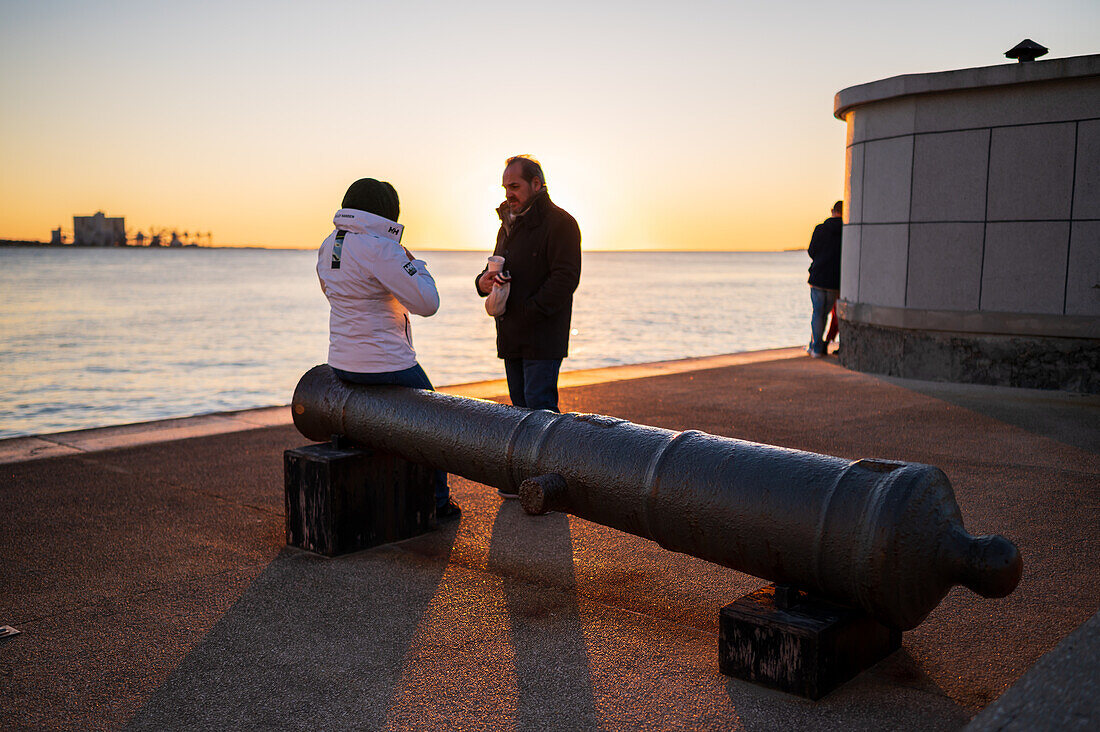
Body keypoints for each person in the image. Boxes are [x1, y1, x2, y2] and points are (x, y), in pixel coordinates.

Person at [316, 177, 460, 523]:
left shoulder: (330, 244)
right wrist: (413, 262)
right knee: (435, 420)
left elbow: (331, 292)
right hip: (384, 363)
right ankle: (438, 501)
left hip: (342, 362)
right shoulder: (381, 248)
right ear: (386, 212)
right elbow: (428, 303)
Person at [475, 155, 582, 414]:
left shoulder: (561, 223)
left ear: (536, 184)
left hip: (542, 338)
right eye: (505, 188)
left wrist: (527, 311)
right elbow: (495, 266)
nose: (509, 194)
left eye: (515, 186)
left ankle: (556, 457)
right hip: (511, 336)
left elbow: (566, 278)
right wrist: (482, 282)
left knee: (541, 414)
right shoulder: (507, 225)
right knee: (520, 416)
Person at [806, 200, 843, 358]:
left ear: (832, 210)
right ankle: (816, 345)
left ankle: (816, 348)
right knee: (825, 314)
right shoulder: (846, 230)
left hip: (819, 277)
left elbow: (811, 251)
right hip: (835, 280)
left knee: (817, 313)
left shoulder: (820, 229)